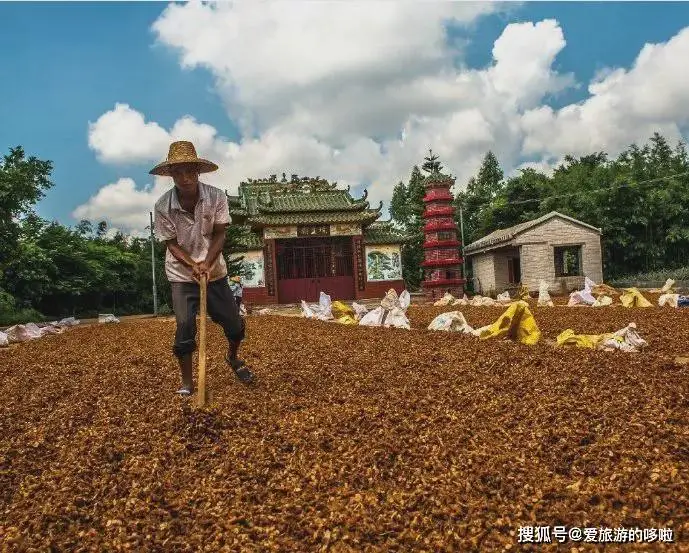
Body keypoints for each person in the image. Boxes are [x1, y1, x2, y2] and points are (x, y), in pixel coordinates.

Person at [152, 141, 255, 395]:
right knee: (185, 325)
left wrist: (207, 264)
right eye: (178, 172)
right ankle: (187, 382)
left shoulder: (216, 197)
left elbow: (220, 234)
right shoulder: (162, 206)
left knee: (233, 323)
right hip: (181, 275)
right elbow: (172, 244)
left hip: (215, 272)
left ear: (198, 171)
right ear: (171, 175)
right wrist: (193, 265)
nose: (185, 178)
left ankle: (233, 357)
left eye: (190, 171)